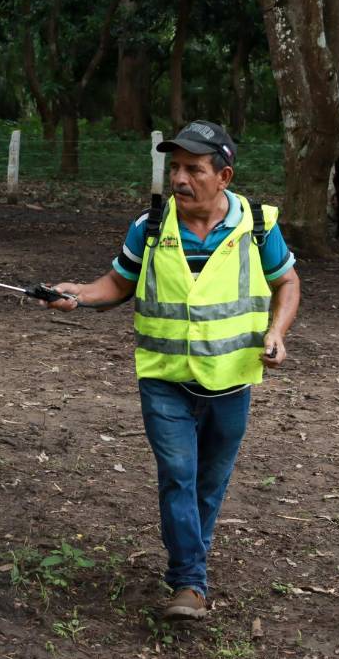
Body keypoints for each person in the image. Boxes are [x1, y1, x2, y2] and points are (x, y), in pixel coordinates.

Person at [43, 121, 301, 621]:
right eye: (175, 167)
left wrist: (278, 332)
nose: (180, 179)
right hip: (164, 378)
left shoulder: (258, 226)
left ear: (223, 175)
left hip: (232, 379)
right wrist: (78, 293)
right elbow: (117, 284)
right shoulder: (152, 225)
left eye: (193, 169)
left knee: (210, 482)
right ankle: (190, 582)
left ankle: (190, 567)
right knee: (178, 475)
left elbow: (286, 283)